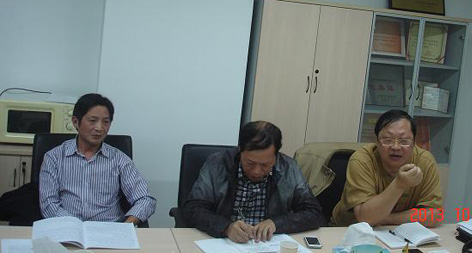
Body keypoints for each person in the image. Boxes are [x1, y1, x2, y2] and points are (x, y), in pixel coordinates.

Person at [182, 121, 325, 242]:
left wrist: (276, 223)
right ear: (240, 151)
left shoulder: (289, 168)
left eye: (265, 165)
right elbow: (192, 208)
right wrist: (226, 227)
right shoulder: (217, 164)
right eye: (250, 163)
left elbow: (314, 213)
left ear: (276, 156)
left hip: (266, 243)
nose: (256, 171)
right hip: (224, 242)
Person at [39, 93, 156, 224]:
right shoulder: (54, 158)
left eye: (105, 122)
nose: (99, 128)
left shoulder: (119, 160)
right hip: (67, 228)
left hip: (109, 229)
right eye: (93, 121)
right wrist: (74, 226)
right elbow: (48, 204)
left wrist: (126, 226)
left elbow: (146, 200)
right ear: (76, 122)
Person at [332, 109, 443, 227]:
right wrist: (399, 184)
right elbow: (365, 218)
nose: (396, 147)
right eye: (387, 140)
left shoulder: (425, 161)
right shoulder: (362, 160)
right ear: (376, 141)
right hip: (348, 230)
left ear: (414, 143)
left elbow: (435, 215)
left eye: (404, 141)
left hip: (398, 231)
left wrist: (387, 219)